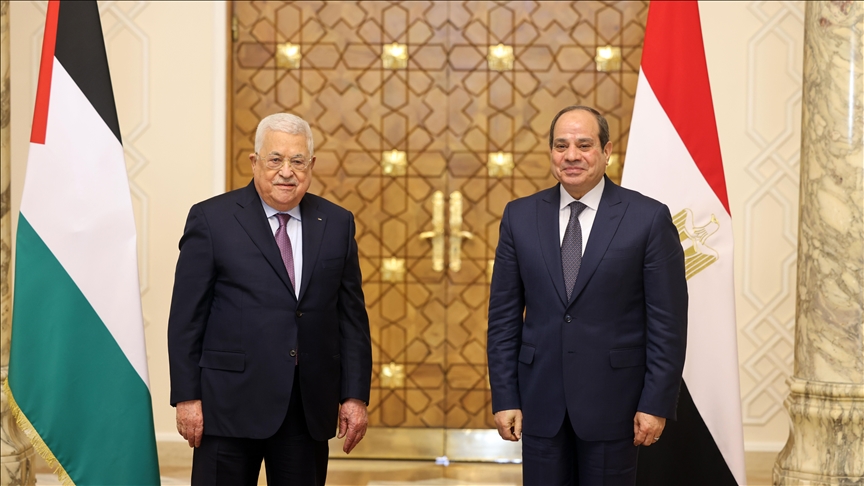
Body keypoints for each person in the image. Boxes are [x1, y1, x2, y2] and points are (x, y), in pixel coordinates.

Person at [486, 105, 688, 485]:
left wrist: (655, 403)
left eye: (584, 145)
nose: (571, 155)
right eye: (561, 145)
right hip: (540, 404)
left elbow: (668, 325)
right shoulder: (519, 217)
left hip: (616, 406)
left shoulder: (647, 219)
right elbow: (503, 320)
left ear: (606, 151)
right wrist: (505, 396)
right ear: (551, 152)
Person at [168, 113, 372, 485]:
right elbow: (186, 319)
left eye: (297, 161)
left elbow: (352, 320)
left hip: (305, 408)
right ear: (255, 162)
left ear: (311, 165)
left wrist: (354, 396)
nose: (286, 172)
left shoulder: (337, 223)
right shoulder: (212, 219)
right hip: (226, 406)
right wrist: (187, 398)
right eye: (275, 159)